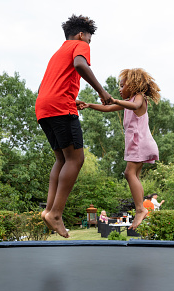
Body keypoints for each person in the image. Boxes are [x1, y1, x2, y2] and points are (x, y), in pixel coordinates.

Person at [36, 15, 113, 238]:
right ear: (81, 35)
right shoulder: (79, 45)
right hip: (60, 108)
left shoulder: (57, 53)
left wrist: (70, 98)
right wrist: (102, 92)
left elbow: (46, 85)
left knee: (61, 159)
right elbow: (80, 64)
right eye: (89, 39)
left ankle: (49, 210)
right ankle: (56, 214)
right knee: (76, 159)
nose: (88, 44)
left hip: (44, 107)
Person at [81, 68, 161, 230]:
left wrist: (116, 100)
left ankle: (141, 209)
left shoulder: (138, 98)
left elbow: (134, 105)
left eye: (122, 85)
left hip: (139, 142)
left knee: (129, 173)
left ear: (133, 85)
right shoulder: (129, 101)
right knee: (134, 176)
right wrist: (89, 105)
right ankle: (141, 208)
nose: (119, 88)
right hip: (138, 143)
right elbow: (108, 108)